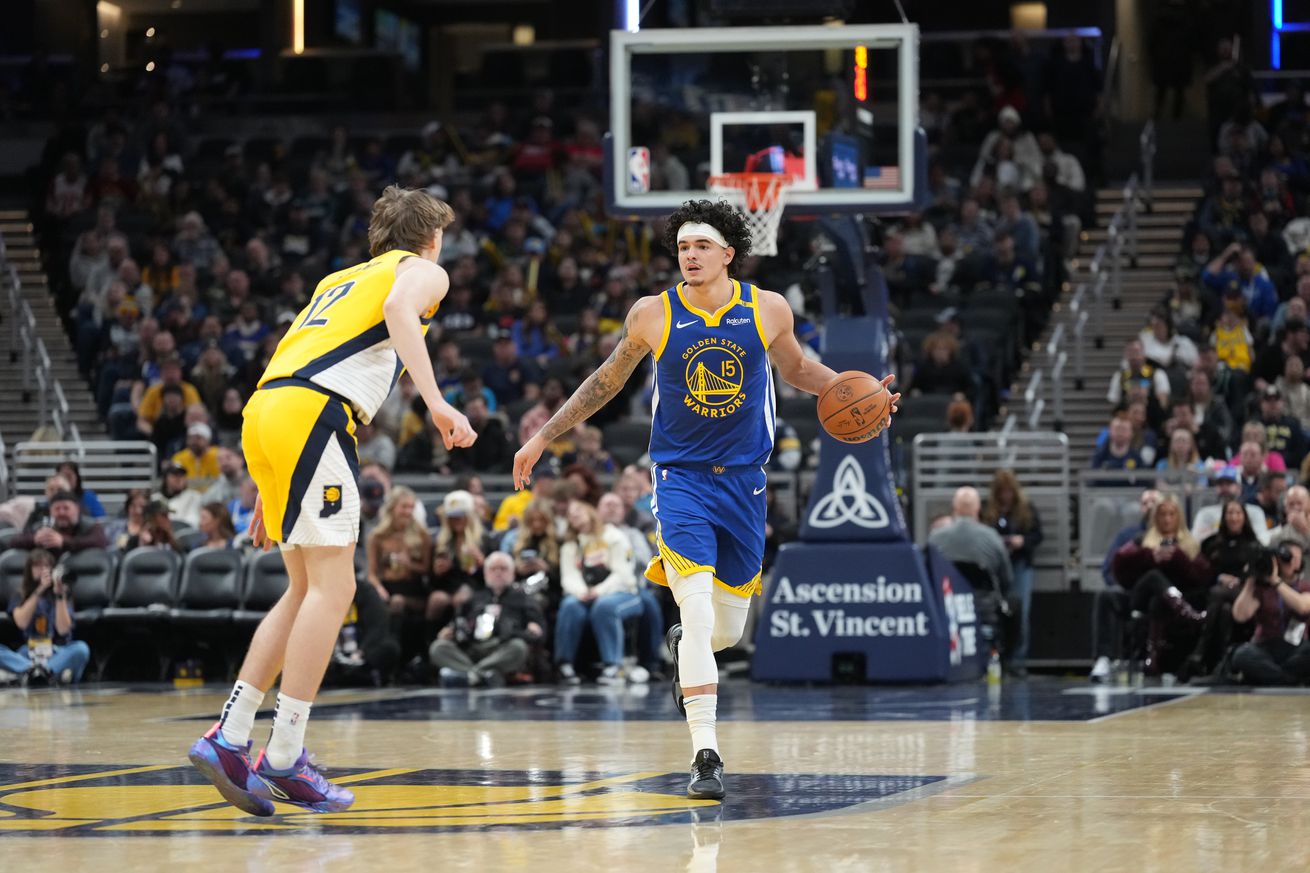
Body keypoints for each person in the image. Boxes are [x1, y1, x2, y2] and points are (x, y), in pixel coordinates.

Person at [512, 199, 899, 801]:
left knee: (723, 632)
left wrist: (865, 391)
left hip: (744, 483)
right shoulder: (652, 313)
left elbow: (798, 370)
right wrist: (542, 436)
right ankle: (705, 755)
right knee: (694, 614)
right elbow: (604, 382)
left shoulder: (766, 308)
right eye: (682, 247)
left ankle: (685, 650)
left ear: (727, 253)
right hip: (681, 480)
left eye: (700, 246)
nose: (689, 256)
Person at [188, 185, 476, 817]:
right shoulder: (424, 271)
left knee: (302, 589)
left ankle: (232, 736)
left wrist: (271, 483)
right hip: (313, 415)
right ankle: (284, 754)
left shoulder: (339, 278)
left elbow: (296, 355)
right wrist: (435, 401)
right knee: (335, 588)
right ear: (431, 239)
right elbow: (403, 313)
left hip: (268, 411)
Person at [553, 499, 640, 685]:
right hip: (587, 594)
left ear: (590, 510)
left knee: (604, 607)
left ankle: (613, 666)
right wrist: (582, 591)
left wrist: (599, 591)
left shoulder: (613, 536)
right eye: (570, 513)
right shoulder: (571, 545)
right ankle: (565, 665)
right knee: (570, 605)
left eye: (578, 509)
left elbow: (623, 573)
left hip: (623, 592)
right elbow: (568, 576)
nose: (574, 513)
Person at [428, 551, 546, 687]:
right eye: (493, 569)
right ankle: (482, 675)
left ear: (512, 573)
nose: (498, 573)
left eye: (503, 568)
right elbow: (458, 623)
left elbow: (539, 633)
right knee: (438, 647)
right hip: (472, 648)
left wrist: (527, 631)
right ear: (485, 573)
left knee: (519, 648)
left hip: (502, 648)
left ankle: (470, 675)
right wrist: (450, 631)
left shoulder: (524, 599)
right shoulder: (474, 598)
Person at [1090, 489, 1163, 681]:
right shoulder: (1127, 535)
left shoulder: (1171, 535)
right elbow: (1108, 569)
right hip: (1131, 593)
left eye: (1154, 502)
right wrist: (1122, 583)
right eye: (1145, 503)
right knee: (1105, 597)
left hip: (1162, 596)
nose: (1150, 507)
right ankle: (1104, 659)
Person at [981, 471, 1042, 676]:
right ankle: (998, 658)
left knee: (1021, 612)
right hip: (995, 566)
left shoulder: (1026, 509)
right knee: (994, 612)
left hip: (1020, 564)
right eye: (1002, 492)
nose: (1006, 496)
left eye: (1009, 491)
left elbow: (1037, 535)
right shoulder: (988, 510)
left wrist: (1022, 542)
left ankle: (1018, 659)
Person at [0, 549, 92, 686]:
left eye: (46, 566)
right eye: (37, 566)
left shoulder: (63, 594)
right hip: (29, 652)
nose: (42, 570)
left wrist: (60, 595)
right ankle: (36, 672)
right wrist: (39, 590)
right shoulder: (20, 594)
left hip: (56, 652)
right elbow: (21, 623)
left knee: (81, 649)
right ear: (29, 570)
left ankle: (39, 672)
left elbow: (63, 630)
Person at [1230, 538, 1310, 685]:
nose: (1290, 561)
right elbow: (1240, 616)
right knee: (1241, 655)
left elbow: (1303, 606)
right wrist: (1251, 579)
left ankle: (1274, 678)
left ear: (1300, 563)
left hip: (1296, 648)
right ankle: (1287, 680)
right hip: (1265, 646)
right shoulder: (1262, 588)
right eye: (1286, 557)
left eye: (1294, 558)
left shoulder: (1304, 587)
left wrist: (1276, 581)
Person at [11, 491, 108, 558]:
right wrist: (35, 539)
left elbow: (100, 542)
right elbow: (14, 542)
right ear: (50, 511)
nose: (61, 513)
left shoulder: (91, 526)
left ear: (77, 509)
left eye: (66, 508)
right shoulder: (42, 527)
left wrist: (63, 542)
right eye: (57, 509)